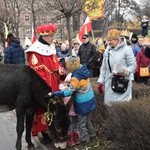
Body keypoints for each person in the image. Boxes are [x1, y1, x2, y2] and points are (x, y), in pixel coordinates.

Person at [26, 23, 66, 144]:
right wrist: (45, 88)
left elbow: (56, 63)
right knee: (43, 109)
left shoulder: (51, 47)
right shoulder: (35, 51)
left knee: (55, 109)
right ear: (44, 36)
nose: (53, 38)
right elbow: (37, 72)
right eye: (51, 36)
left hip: (55, 82)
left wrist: (61, 70)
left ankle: (54, 130)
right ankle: (45, 132)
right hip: (44, 86)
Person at [47, 56, 98, 149]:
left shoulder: (75, 77)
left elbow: (69, 92)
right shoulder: (83, 70)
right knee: (88, 122)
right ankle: (94, 139)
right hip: (90, 100)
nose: (66, 67)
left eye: (67, 65)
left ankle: (84, 143)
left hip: (83, 102)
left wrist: (55, 93)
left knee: (81, 124)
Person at [97, 29, 136, 106]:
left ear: (117, 40)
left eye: (111, 40)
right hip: (110, 82)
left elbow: (133, 65)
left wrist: (126, 71)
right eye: (108, 40)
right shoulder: (107, 50)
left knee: (121, 108)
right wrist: (101, 81)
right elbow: (104, 67)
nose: (109, 42)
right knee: (110, 107)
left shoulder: (127, 49)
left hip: (123, 82)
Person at [59, 73, 79, 147]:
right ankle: (72, 139)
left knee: (74, 125)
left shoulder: (69, 90)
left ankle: (74, 138)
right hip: (71, 111)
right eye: (67, 82)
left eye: (69, 82)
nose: (68, 84)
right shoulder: (66, 90)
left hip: (74, 111)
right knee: (71, 125)